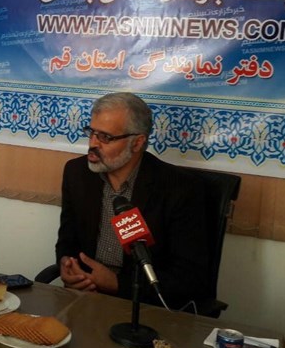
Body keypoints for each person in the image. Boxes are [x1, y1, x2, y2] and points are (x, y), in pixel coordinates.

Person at [55, 92, 210, 310]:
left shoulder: (179, 188)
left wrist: (117, 284)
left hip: (147, 305)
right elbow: (67, 240)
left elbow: (190, 278)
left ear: (137, 143)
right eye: (91, 132)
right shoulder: (77, 173)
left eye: (105, 137)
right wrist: (67, 266)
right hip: (87, 297)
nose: (92, 144)